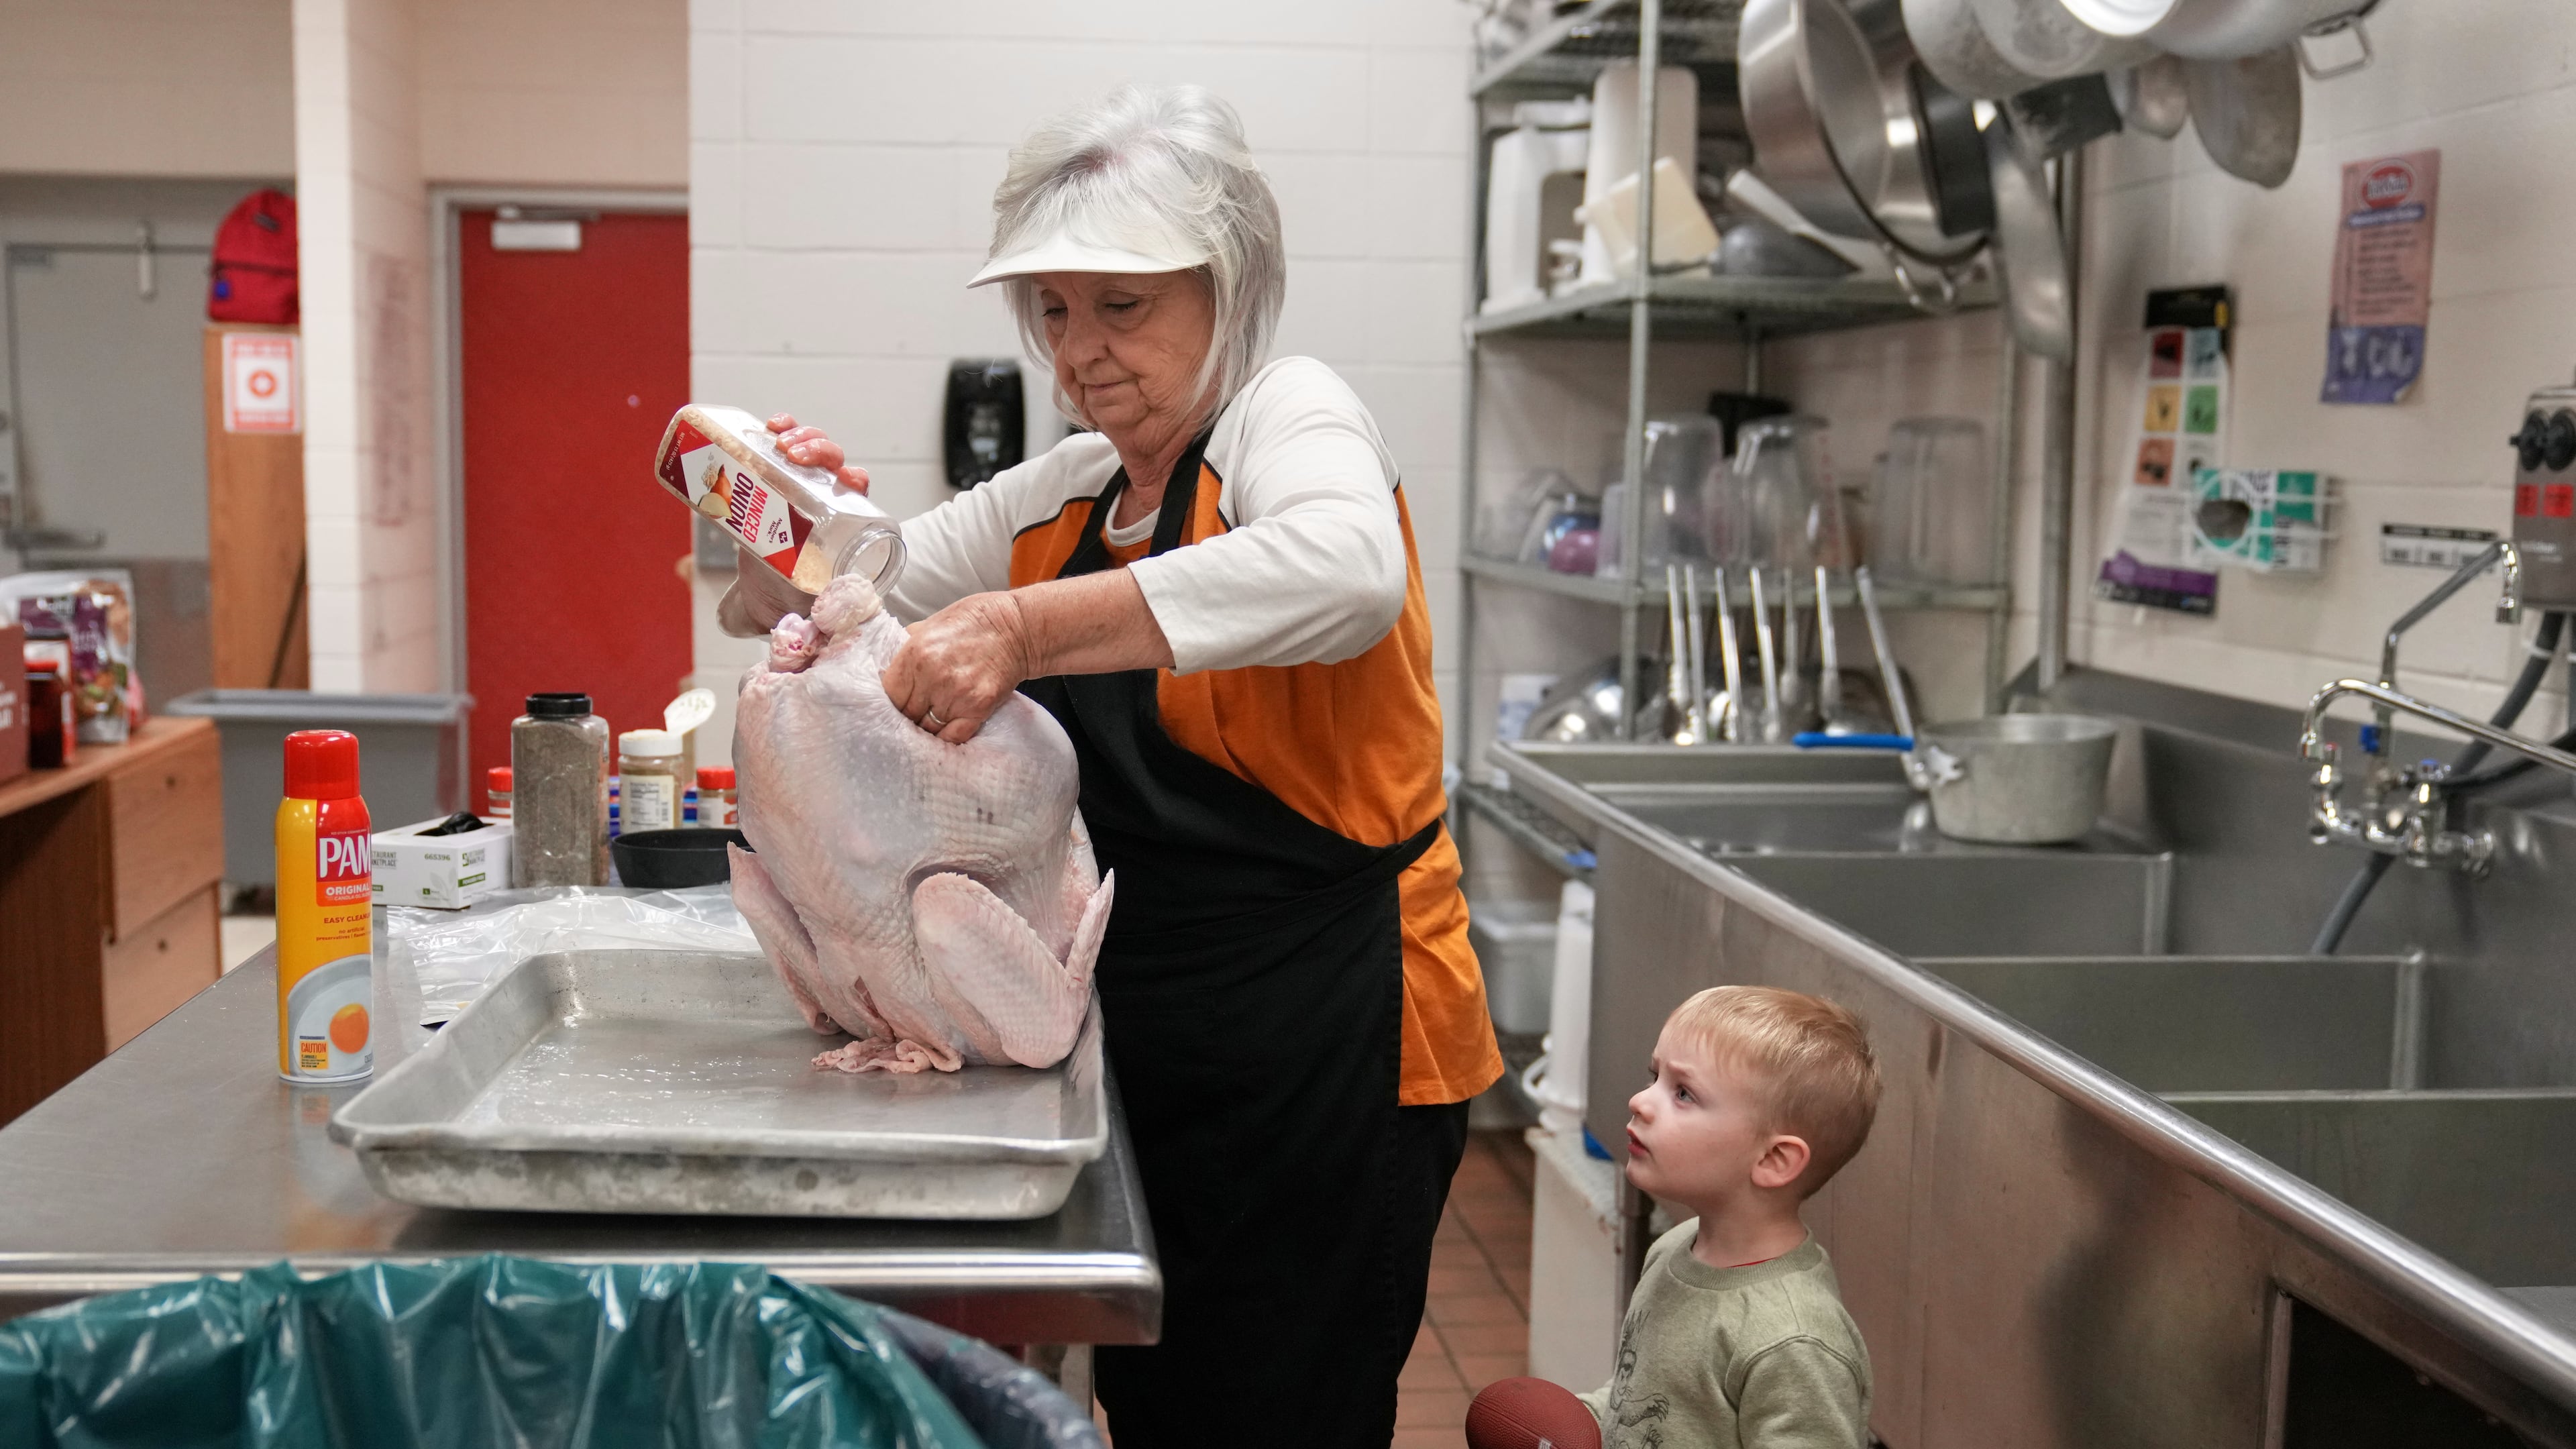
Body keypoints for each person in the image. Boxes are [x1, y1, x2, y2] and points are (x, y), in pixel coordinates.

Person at [716, 84, 1503, 1446]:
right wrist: (781, 531)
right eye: (1055, 313)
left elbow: (1348, 568)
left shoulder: (1287, 415)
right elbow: (862, 582)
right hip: (1145, 1028)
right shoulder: (1071, 489)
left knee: (1281, 1407)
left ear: (1229, 282)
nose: (1080, 351)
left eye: (1121, 306)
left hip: (1333, 1024)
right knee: (1158, 1388)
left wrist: (1025, 628)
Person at [1468, 986, 1880, 1449]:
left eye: (1683, 1093)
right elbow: (1640, 1397)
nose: (1641, 1102)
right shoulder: (1675, 1248)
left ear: (1774, 1160)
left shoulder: (1794, 1340)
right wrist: (1582, 1424)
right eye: (1655, 1077)